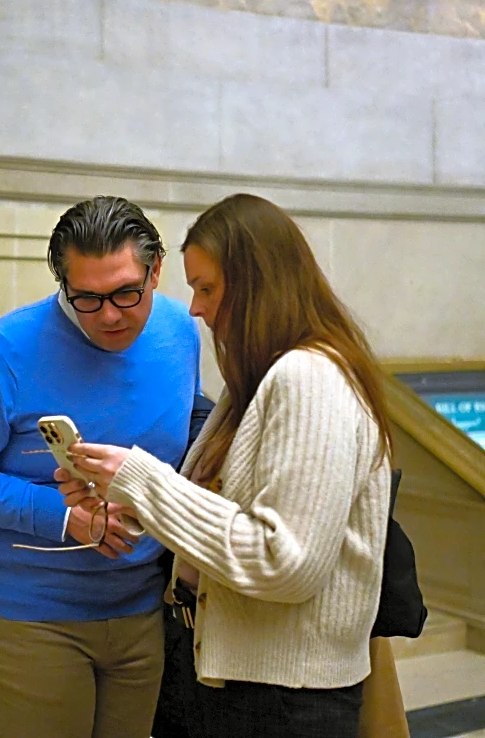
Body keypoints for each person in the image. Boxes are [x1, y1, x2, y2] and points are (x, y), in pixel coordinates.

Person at [58, 193, 393, 738]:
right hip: (221, 669)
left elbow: (284, 563)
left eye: (207, 289)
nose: (195, 308)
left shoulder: (309, 378)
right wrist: (124, 501)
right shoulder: (261, 376)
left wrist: (143, 482)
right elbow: (224, 505)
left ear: (259, 283)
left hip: (279, 695)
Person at [0, 196, 201, 738]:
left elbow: (186, 429)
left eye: (126, 292)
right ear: (62, 285)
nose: (110, 315)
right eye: (87, 298)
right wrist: (64, 516)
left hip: (143, 606)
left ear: (156, 271)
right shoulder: (6, 349)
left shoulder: (180, 330)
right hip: (30, 614)